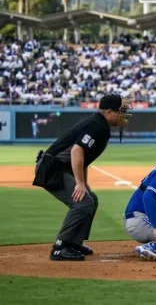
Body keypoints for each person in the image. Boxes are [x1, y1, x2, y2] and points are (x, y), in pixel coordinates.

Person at [38, 95, 131, 261]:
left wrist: (84, 183)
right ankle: (61, 247)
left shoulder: (100, 124)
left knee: (90, 198)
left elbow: (85, 159)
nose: (123, 115)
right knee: (82, 201)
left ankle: (74, 242)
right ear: (109, 112)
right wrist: (79, 183)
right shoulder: (97, 125)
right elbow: (76, 151)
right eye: (121, 111)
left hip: (59, 168)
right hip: (52, 168)